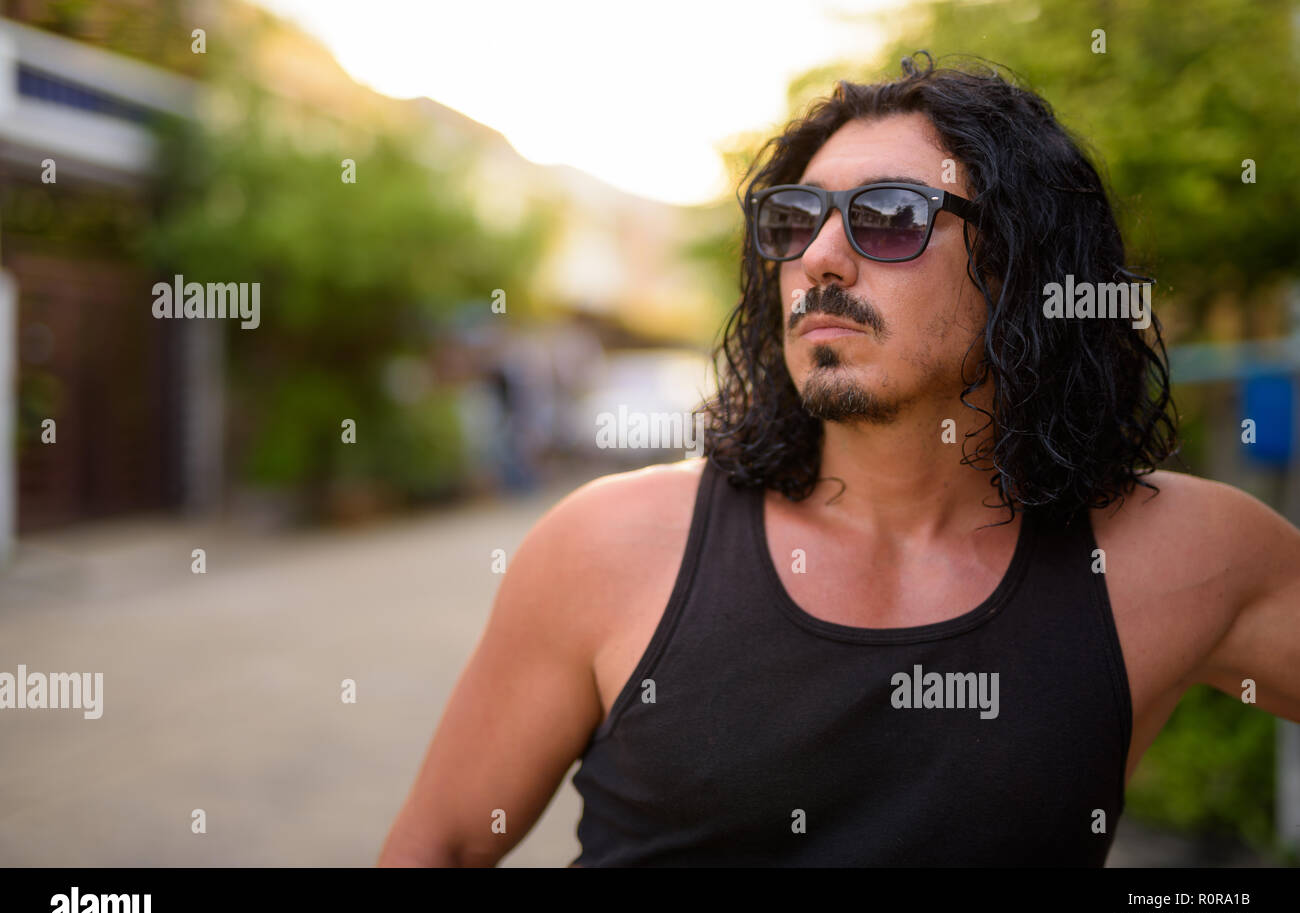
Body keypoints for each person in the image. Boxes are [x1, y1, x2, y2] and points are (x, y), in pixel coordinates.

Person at [377, 54, 1300, 866]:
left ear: (1022, 266)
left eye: (888, 218)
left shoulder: (1182, 556)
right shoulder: (609, 544)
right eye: (792, 220)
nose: (819, 257)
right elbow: (441, 846)